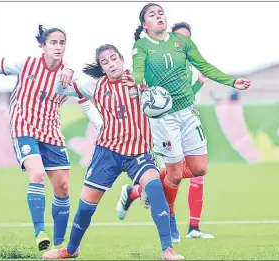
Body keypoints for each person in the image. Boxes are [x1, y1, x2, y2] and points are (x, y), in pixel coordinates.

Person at [0, 25, 103, 252]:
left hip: (51, 130)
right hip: (24, 126)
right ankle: (40, 231)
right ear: (43, 46)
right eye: (53, 43)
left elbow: (86, 103)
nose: (58, 47)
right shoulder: (26, 64)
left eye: (62, 43)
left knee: (63, 186)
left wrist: (102, 127)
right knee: (37, 174)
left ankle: (60, 245)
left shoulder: (69, 75)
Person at [120, 3, 251, 243]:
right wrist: (133, 80)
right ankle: (169, 221)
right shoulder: (141, 46)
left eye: (161, 13)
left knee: (200, 168)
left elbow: (204, 66)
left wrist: (232, 82)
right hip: (163, 118)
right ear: (144, 25)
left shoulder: (181, 42)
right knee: (176, 176)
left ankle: (143, 189)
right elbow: (138, 72)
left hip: (188, 113)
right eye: (152, 14)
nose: (159, 16)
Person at [41, 44, 184, 260]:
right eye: (105, 62)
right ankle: (71, 249)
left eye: (113, 58)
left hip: (139, 153)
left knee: (155, 188)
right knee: (86, 207)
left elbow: (164, 92)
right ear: (102, 68)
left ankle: (168, 249)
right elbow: (60, 89)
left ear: (122, 59)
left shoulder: (140, 79)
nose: (111, 64)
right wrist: (68, 70)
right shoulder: (96, 86)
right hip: (107, 152)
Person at [117, 21, 215, 240]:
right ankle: (171, 224)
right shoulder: (154, 60)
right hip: (164, 124)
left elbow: (186, 95)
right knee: (175, 175)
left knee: (198, 173)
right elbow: (160, 99)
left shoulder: (187, 63)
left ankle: (138, 193)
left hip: (188, 119)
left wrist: (199, 83)